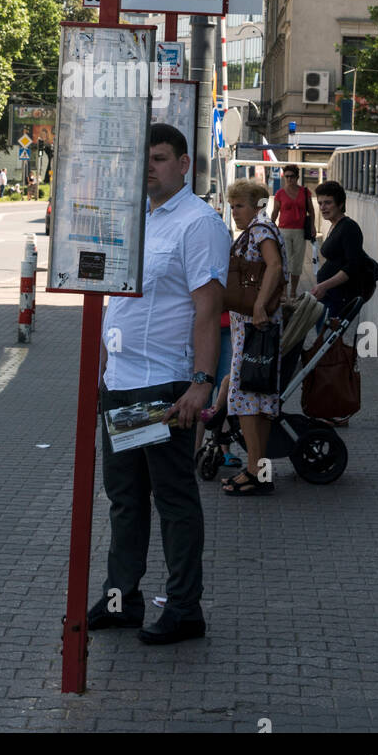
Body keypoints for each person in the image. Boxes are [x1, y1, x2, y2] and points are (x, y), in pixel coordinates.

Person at [88, 123, 231, 645]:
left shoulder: (199, 224)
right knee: (125, 497)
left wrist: (201, 382)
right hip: (124, 384)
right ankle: (122, 598)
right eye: (144, 158)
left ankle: (185, 608)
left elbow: (208, 309)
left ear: (185, 164)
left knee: (172, 498)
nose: (150, 166)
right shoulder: (140, 220)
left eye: (161, 157)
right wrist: (101, 373)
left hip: (163, 387)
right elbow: (117, 301)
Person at [220, 179, 288, 497]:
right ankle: (259, 472)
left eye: (240, 205)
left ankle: (254, 471)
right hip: (252, 327)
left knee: (247, 399)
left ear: (256, 205)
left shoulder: (260, 228)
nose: (234, 212)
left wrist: (259, 304)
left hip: (254, 327)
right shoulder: (260, 227)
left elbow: (273, 266)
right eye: (232, 206)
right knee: (258, 401)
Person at [310, 181, 364, 317]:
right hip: (330, 295)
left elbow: (352, 267)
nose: (323, 207)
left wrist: (324, 286)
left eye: (328, 203)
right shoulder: (335, 225)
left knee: (330, 337)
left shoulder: (349, 228)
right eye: (320, 203)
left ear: (340, 204)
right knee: (326, 337)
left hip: (339, 297)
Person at [271, 166, 316, 300]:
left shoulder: (305, 192)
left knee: (297, 262)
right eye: (287, 176)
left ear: (297, 177)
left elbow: (312, 211)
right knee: (285, 261)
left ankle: (293, 291)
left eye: (292, 176)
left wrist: (312, 226)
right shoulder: (280, 193)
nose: (289, 179)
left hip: (300, 231)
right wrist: (270, 226)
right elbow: (275, 212)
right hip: (283, 230)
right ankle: (284, 291)